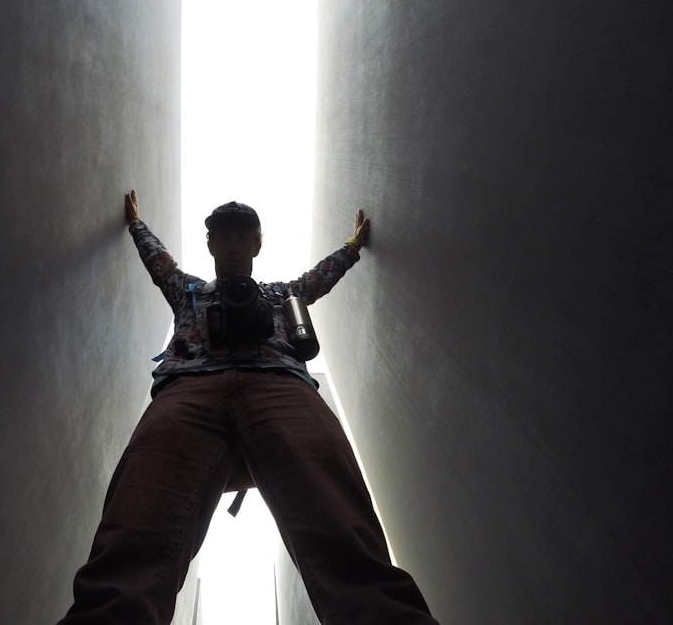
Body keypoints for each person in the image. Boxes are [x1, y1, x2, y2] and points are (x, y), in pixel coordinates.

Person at [57, 191, 438, 624]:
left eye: (243, 236)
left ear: (257, 245)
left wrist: (352, 248)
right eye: (224, 236)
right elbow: (158, 261)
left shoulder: (280, 295)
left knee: (343, 530)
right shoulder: (190, 292)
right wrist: (136, 225)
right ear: (211, 245)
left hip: (280, 383)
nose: (234, 244)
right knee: (134, 536)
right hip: (188, 389)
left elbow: (319, 278)